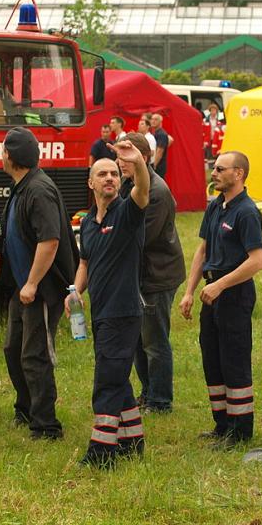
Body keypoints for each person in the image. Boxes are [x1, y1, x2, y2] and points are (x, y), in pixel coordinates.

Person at [69, 140, 150, 468]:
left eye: (115, 173)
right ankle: (133, 441)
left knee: (107, 380)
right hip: (101, 312)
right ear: (91, 182)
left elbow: (142, 190)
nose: (109, 178)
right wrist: (74, 292)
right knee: (117, 376)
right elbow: (85, 263)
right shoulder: (87, 222)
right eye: (102, 174)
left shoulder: (128, 212)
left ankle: (101, 453)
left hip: (125, 311)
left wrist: (137, 163)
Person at [180, 151, 262, 448]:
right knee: (212, 359)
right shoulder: (216, 206)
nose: (213, 173)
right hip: (210, 292)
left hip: (234, 293)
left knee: (234, 361)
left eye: (220, 169)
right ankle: (222, 425)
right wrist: (190, 291)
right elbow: (202, 251)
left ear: (238, 174)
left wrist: (221, 286)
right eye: (213, 168)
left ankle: (240, 432)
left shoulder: (247, 212)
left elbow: (257, 261)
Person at [0, 127, 78, 441]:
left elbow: (50, 241)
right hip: (22, 287)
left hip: (41, 290)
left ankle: (46, 426)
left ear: (12, 156)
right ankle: (26, 408)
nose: (0, 155)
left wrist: (32, 283)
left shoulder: (39, 189)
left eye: (3, 150)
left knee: (35, 355)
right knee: (13, 349)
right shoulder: (21, 186)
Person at [118, 133, 185, 414]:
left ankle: (160, 401)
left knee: (154, 341)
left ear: (143, 158)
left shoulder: (157, 192)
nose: (121, 163)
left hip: (157, 276)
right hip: (139, 276)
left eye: (127, 157)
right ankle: (148, 392)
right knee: (137, 340)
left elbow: (141, 237)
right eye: (119, 156)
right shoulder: (128, 185)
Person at [150, 113, 170, 178]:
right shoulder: (155, 133)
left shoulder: (161, 134)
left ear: (160, 122)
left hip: (159, 166)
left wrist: (154, 165)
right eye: (152, 119)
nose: (153, 121)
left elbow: (159, 151)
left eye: (156, 119)